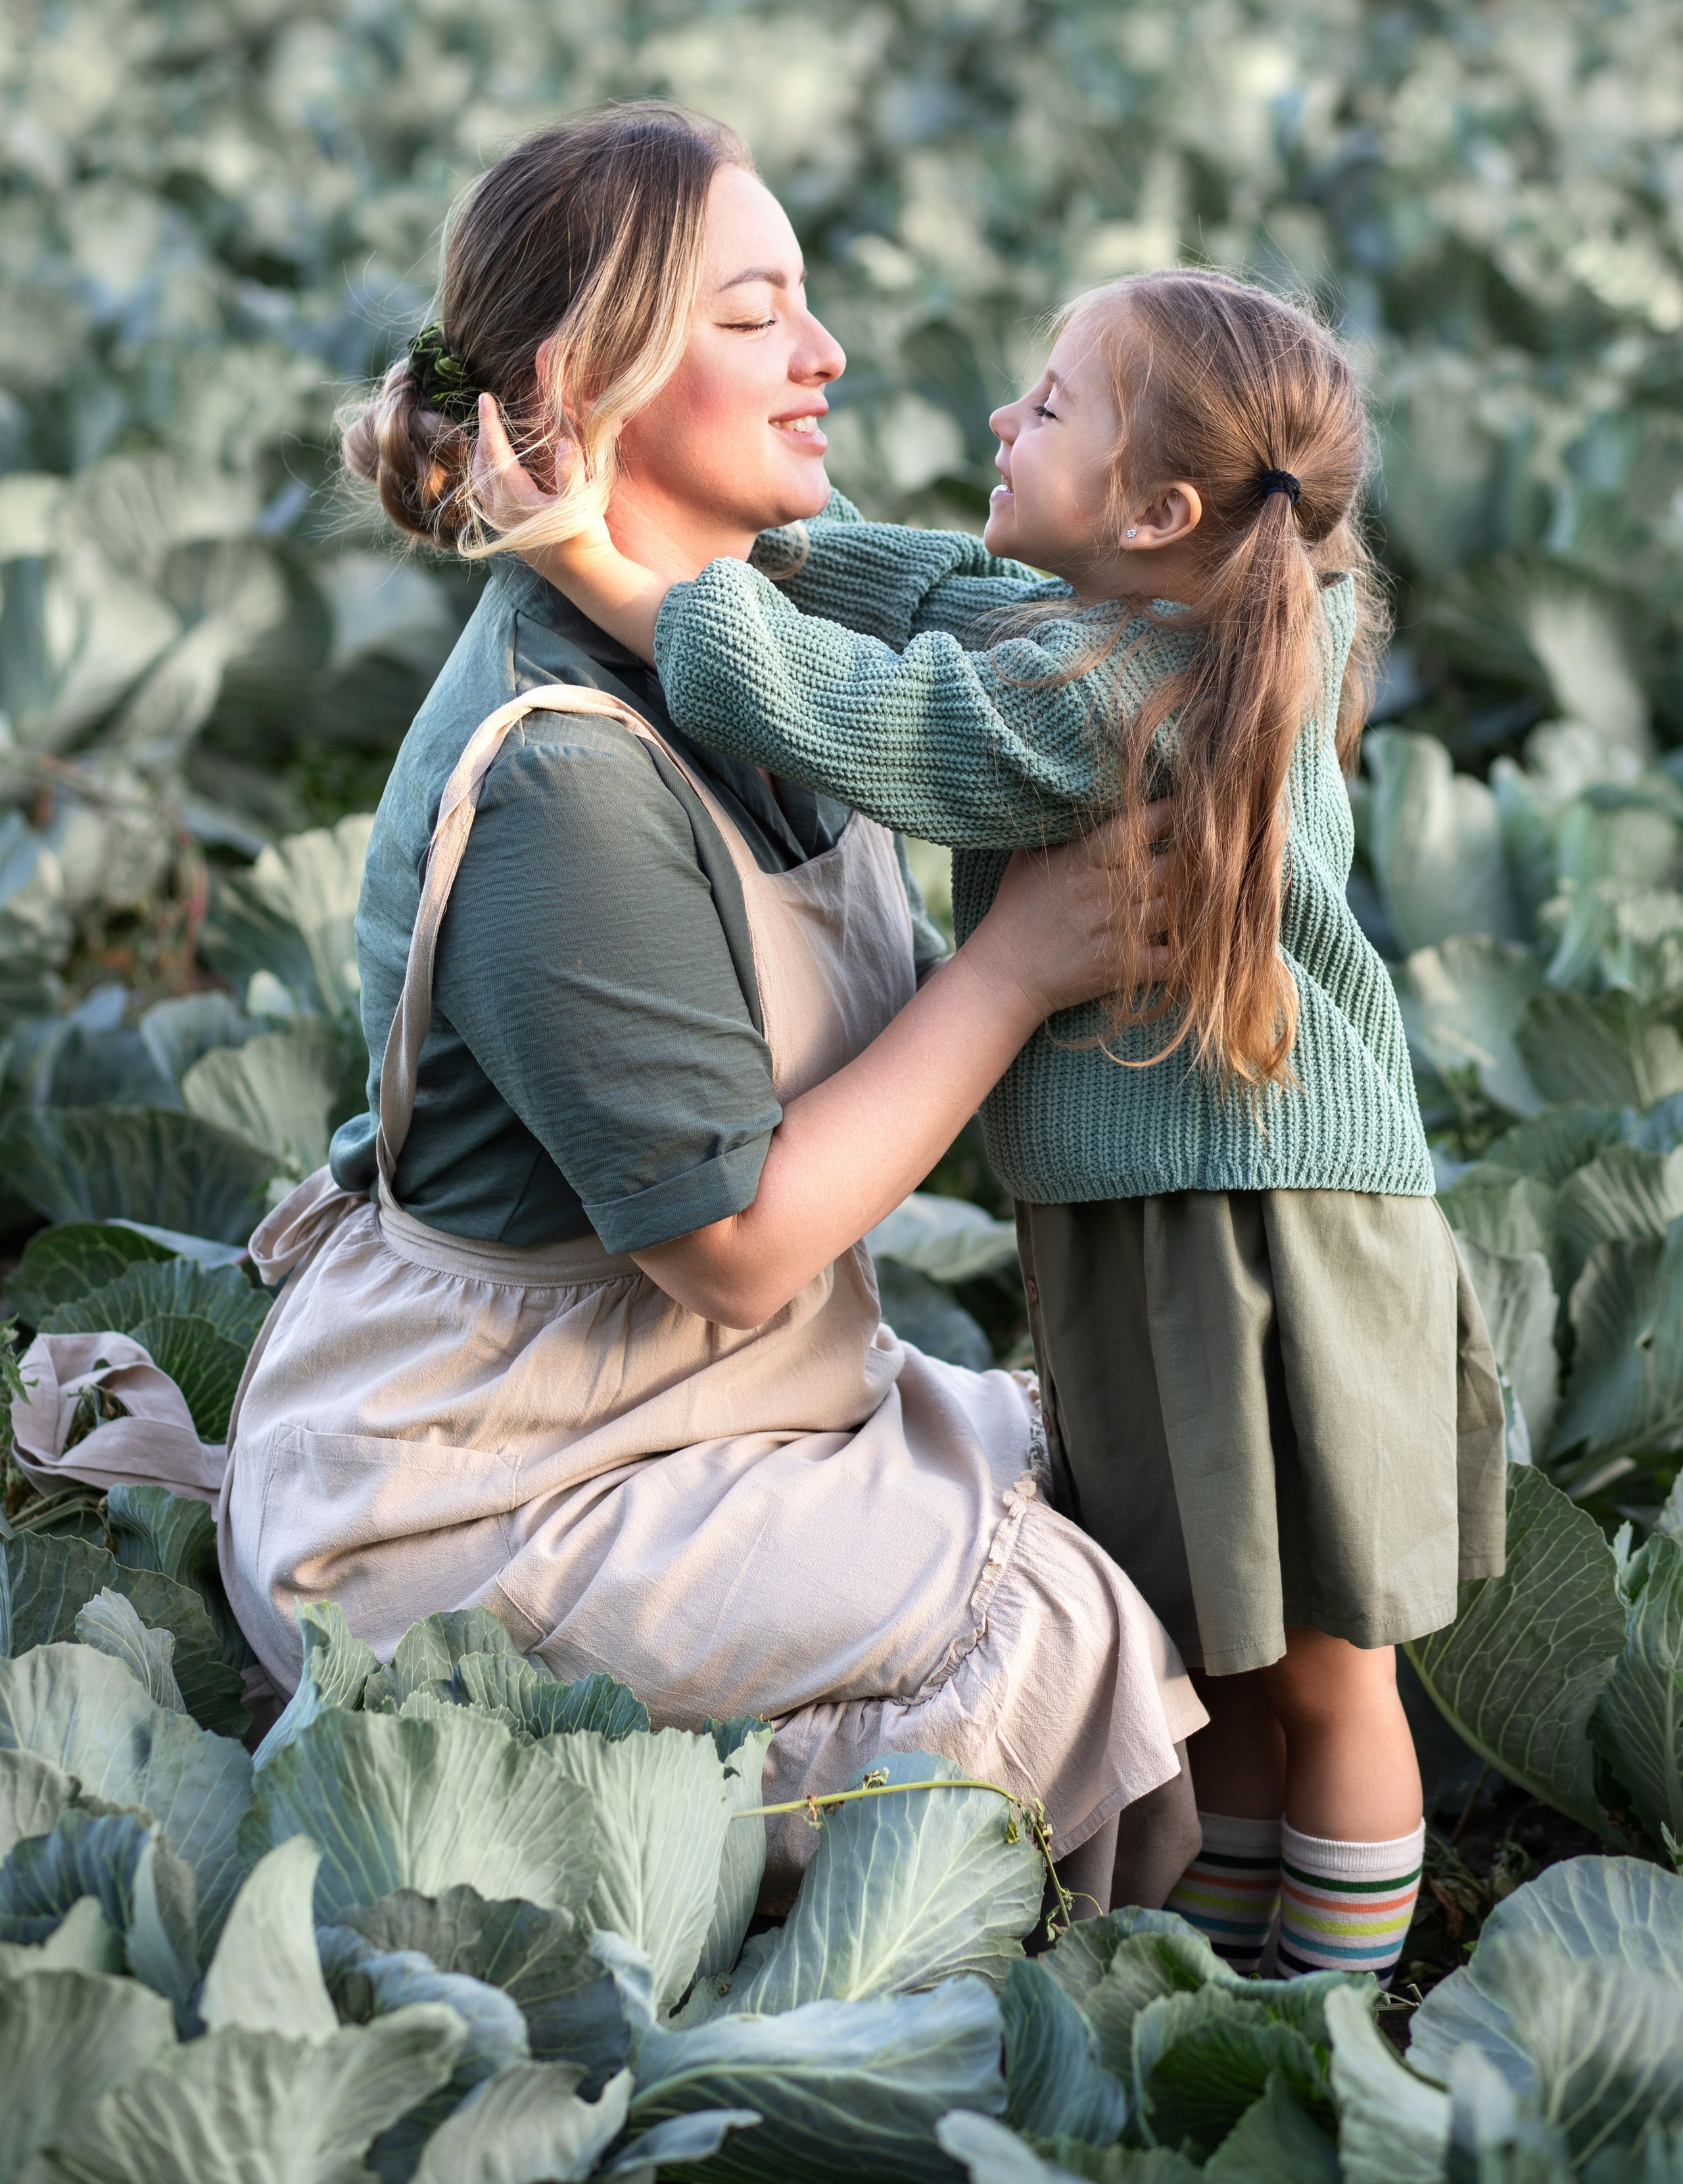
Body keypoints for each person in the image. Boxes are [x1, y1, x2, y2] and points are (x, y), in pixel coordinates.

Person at [216, 101, 1207, 1919]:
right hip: (497, 1474)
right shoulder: (565, 783)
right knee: (1065, 1626)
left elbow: (1070, 637)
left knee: (1162, 1476)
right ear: (583, 382)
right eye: (755, 317)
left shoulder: (756, 632)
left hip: (711, 1396)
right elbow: (736, 1251)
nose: (825, 354)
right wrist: (1015, 967)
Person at [508, 261, 1509, 1984]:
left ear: (1159, 514)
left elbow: (884, 722)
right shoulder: (1182, 619)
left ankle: (1335, 2018)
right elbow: (942, 593)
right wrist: (762, 534)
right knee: (1225, 1642)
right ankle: (1218, 1986)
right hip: (1172, 1218)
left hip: (1259, 1243)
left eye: (1047, 407)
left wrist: (591, 561)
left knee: (1327, 1672)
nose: (1001, 416)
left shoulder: (1124, 700)